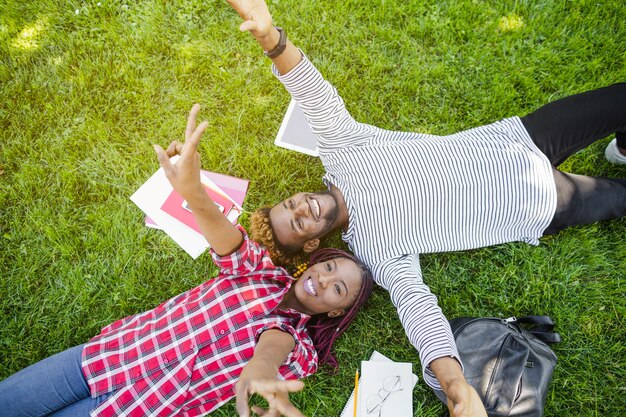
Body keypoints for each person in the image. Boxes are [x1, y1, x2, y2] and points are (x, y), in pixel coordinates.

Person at [224, 0, 626, 415]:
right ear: (311, 245)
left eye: (291, 205)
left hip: (519, 138)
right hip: (541, 202)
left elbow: (314, 94)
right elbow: (418, 309)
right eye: (299, 224)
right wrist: (456, 384)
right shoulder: (372, 248)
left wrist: (270, 37)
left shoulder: (341, 148)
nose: (302, 208)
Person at [0, 104, 374, 417]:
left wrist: (260, 370)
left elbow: (272, 345)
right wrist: (194, 193)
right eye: (327, 268)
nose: (324, 280)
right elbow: (229, 241)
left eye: (337, 288)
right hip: (107, 356)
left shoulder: (302, 350)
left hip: (135, 408)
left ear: (337, 312)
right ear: (310, 263)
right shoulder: (260, 271)